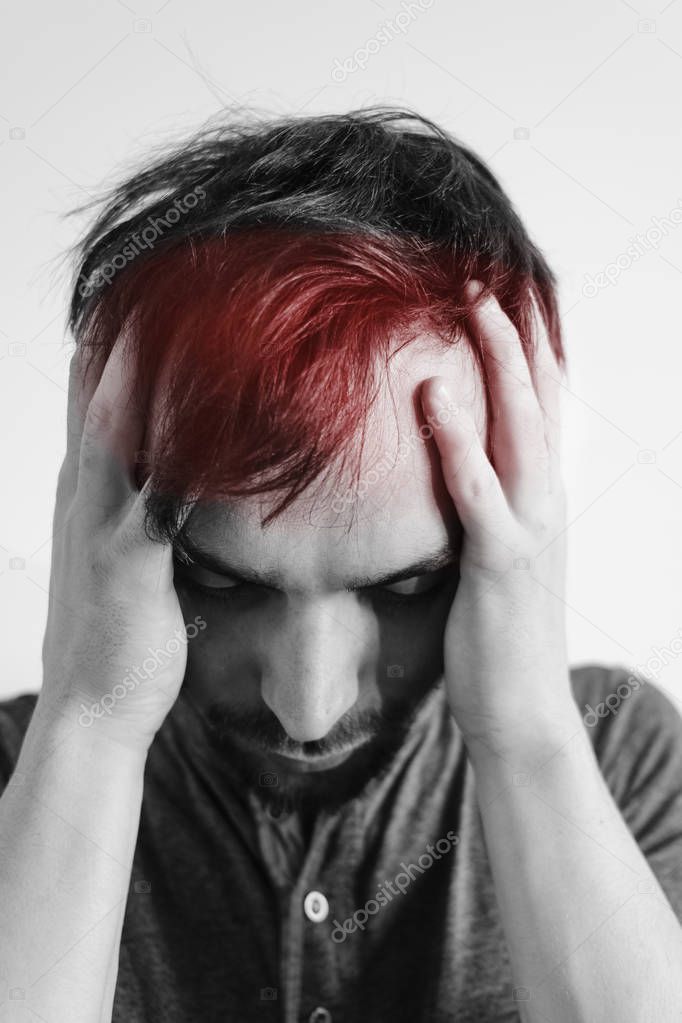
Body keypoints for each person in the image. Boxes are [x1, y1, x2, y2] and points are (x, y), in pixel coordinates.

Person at [1, 107, 681, 1023]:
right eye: (222, 579)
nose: (307, 706)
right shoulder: (23, 780)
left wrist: (529, 738)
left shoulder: (619, 760)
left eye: (405, 585)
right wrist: (89, 726)